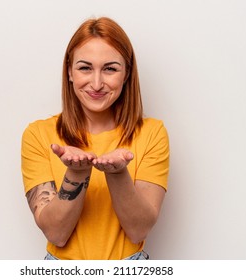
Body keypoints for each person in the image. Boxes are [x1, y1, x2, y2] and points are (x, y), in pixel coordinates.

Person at [21, 17, 169, 260]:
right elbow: (56, 234)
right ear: (69, 71)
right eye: (85, 68)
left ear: (127, 73)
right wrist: (76, 173)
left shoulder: (152, 133)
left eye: (110, 68)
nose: (97, 83)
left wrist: (117, 173)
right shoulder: (38, 135)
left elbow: (138, 230)